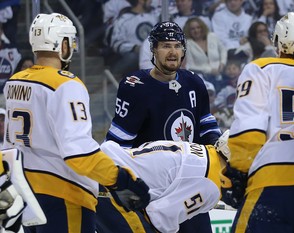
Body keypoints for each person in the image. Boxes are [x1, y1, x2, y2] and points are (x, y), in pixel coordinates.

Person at [3, 13, 150, 233]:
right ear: (62, 44)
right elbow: (79, 154)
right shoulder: (66, 85)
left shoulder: (15, 81)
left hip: (27, 195)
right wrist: (119, 179)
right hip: (63, 194)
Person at [100, 21, 221, 233]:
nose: (172, 52)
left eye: (177, 46)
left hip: (191, 185)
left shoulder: (195, 83)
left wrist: (216, 146)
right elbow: (117, 144)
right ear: (153, 49)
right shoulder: (135, 87)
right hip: (154, 189)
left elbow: (206, 124)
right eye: (165, 45)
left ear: (184, 50)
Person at [222, 12, 294, 232]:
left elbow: (249, 129)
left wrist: (239, 172)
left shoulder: (261, 68)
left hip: (271, 182)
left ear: (279, 39)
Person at [99, 132, 231, 233]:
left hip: (102, 170)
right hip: (114, 187)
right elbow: (159, 218)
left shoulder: (205, 152)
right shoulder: (212, 182)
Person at [183, 17, 227, 88]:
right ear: (188, 31)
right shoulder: (187, 44)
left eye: (198, 27)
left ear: (202, 27)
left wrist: (222, 63)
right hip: (201, 79)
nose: (196, 30)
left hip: (220, 74)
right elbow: (190, 65)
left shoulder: (212, 36)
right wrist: (209, 70)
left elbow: (223, 50)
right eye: (192, 29)